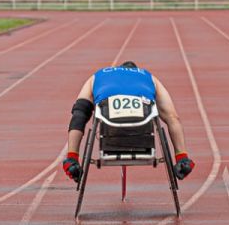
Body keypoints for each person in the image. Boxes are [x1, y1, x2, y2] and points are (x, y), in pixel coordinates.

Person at [61, 61, 195, 184]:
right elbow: (173, 117)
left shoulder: (98, 75)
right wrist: (181, 156)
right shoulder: (149, 77)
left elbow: (79, 113)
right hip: (143, 139)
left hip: (110, 137)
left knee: (80, 113)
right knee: (170, 117)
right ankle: (182, 159)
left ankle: (72, 159)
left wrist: (72, 156)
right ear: (136, 70)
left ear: (118, 69)